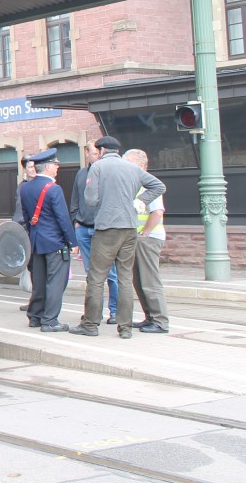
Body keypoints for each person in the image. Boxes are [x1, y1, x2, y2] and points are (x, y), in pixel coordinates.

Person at [69, 136, 165, 339]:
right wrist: (140, 200)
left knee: (96, 277)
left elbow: (91, 199)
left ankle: (90, 324)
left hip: (107, 228)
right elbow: (158, 186)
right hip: (129, 228)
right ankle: (125, 327)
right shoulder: (132, 168)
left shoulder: (98, 167)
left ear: (102, 151)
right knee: (125, 278)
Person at [18, 149, 77, 331]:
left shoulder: (25, 188)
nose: (57, 167)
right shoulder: (54, 189)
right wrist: (72, 242)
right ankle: (50, 320)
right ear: (48, 167)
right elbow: (63, 219)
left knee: (39, 282)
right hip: (55, 242)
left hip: (36, 242)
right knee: (56, 283)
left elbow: (27, 217)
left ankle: (35, 316)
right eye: (55, 164)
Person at [70, 140, 119, 325]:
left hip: (103, 229)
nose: (97, 156)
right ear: (87, 154)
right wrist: (76, 222)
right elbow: (75, 199)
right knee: (91, 275)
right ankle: (93, 313)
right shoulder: (81, 174)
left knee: (111, 273)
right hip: (83, 227)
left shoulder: (108, 172)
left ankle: (115, 311)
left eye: (99, 153)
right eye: (94, 153)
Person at [124, 149, 171, 334]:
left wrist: (145, 233)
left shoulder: (149, 185)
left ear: (142, 166)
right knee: (139, 280)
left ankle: (160, 321)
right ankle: (150, 317)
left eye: (130, 164)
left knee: (150, 281)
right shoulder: (135, 185)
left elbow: (157, 212)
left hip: (148, 239)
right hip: (139, 238)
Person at [12, 155, 36, 308]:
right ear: (25, 169)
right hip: (27, 229)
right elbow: (19, 210)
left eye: (34, 166)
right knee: (32, 265)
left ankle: (38, 300)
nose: (33, 169)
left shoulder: (40, 183)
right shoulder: (22, 186)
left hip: (38, 229)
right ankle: (35, 300)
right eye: (30, 167)